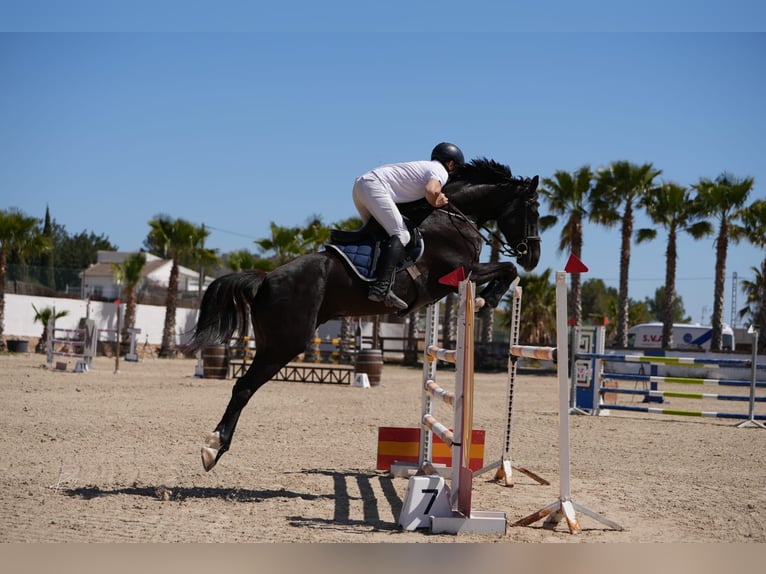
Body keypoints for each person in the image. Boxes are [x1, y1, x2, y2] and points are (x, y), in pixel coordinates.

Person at [352, 142, 465, 310]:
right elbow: (431, 189)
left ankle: (374, 280)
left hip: (360, 186)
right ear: (450, 164)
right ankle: (381, 288)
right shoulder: (441, 170)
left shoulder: (426, 166)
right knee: (402, 236)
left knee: (381, 236)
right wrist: (437, 201)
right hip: (374, 186)